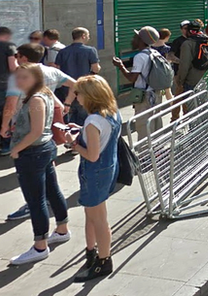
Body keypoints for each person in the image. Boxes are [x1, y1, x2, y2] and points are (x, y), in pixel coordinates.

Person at [6, 63, 71, 266]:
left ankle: (40, 246)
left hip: (33, 152)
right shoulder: (44, 94)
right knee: (52, 191)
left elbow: (36, 131)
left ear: (35, 78)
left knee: (36, 200)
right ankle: (62, 230)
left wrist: (16, 149)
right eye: (17, 77)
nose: (19, 81)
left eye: (24, 77)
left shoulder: (35, 98)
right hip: (43, 148)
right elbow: (41, 123)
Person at [64, 75, 121, 282]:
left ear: (89, 95)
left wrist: (72, 143)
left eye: (78, 92)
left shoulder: (92, 121)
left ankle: (104, 261)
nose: (76, 96)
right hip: (108, 169)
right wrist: (83, 133)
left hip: (94, 172)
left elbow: (92, 155)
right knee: (93, 215)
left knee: (99, 220)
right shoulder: (112, 113)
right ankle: (91, 253)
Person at [113, 27, 164, 140]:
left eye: (135, 37)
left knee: (143, 126)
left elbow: (132, 78)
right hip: (156, 94)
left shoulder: (139, 57)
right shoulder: (155, 53)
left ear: (141, 40)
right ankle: (157, 151)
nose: (132, 40)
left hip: (145, 97)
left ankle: (145, 154)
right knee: (156, 123)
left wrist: (120, 66)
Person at [53, 27, 101, 126]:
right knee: (84, 118)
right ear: (83, 36)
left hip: (65, 90)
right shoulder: (90, 51)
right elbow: (95, 68)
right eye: (88, 35)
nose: (88, 37)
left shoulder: (63, 52)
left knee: (67, 119)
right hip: (84, 89)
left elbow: (57, 69)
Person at [175, 21, 208, 95]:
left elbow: (184, 65)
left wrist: (180, 81)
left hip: (191, 80)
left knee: (191, 104)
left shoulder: (187, 44)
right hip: (206, 78)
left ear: (189, 31)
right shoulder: (206, 41)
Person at [0, 27, 17, 155]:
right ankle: (6, 144)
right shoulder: (8, 46)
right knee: (6, 112)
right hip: (4, 84)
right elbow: (12, 67)